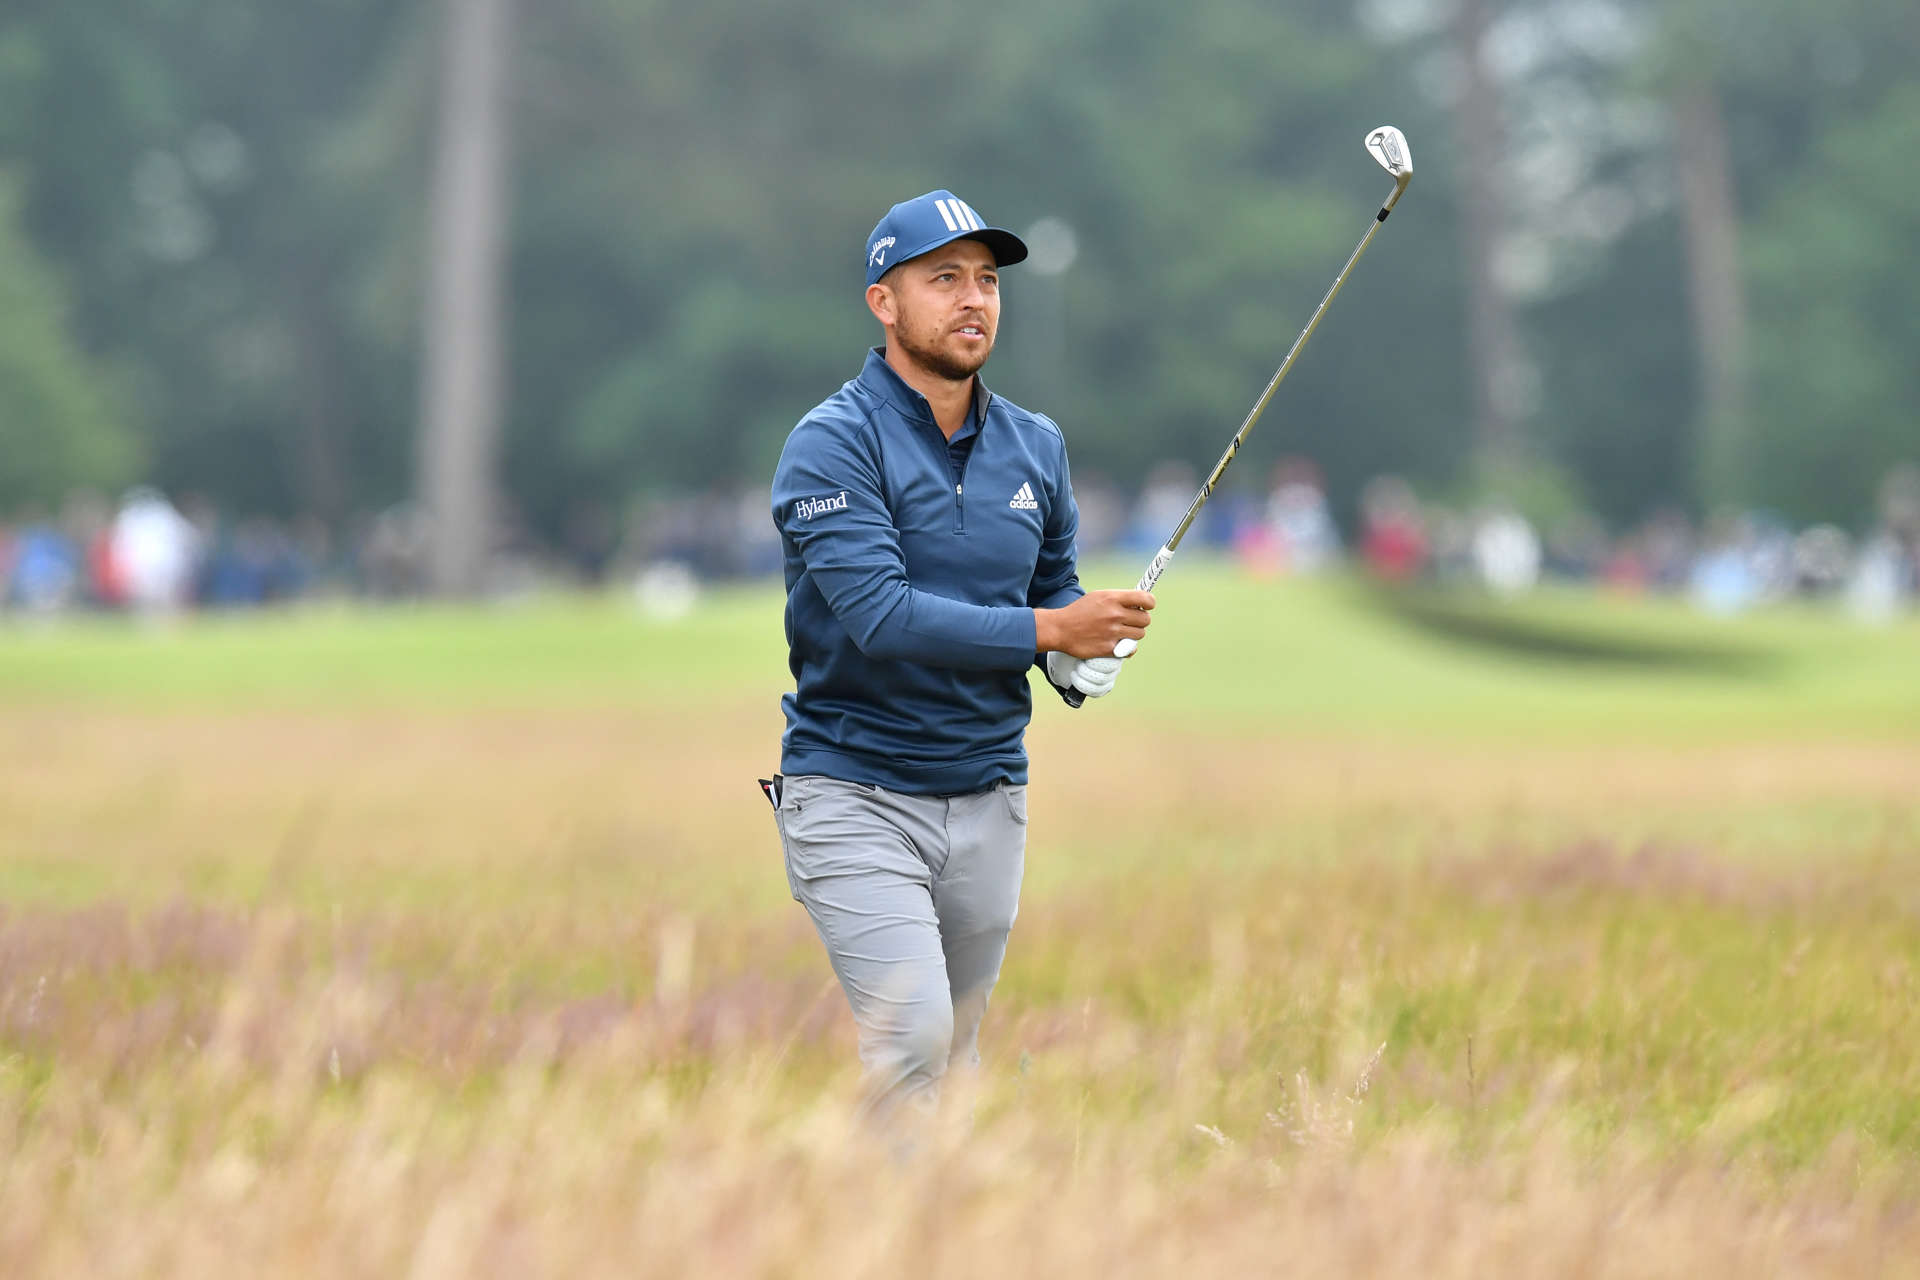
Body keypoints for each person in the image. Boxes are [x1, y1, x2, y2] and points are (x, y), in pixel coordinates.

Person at [765, 189, 1154, 1122]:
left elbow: (1050, 595)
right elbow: (882, 619)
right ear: (883, 302)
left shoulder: (1036, 445)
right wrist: (1049, 635)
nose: (973, 299)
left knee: (958, 1060)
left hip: (989, 794)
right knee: (913, 1041)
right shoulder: (831, 445)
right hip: (853, 790)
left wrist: (1077, 660)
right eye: (944, 279)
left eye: (986, 281)